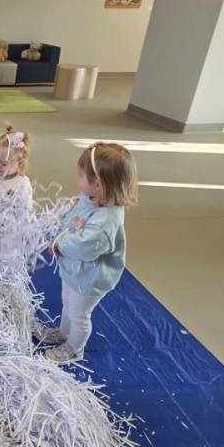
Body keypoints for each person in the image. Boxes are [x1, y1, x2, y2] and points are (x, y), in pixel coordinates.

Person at [44, 142, 138, 364]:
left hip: (89, 276)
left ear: (98, 184)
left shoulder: (106, 221)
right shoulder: (92, 197)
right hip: (75, 269)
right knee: (67, 303)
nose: (78, 181)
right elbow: (74, 217)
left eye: (81, 177)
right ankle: (64, 333)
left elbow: (84, 247)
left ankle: (75, 348)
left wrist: (59, 242)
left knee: (78, 313)